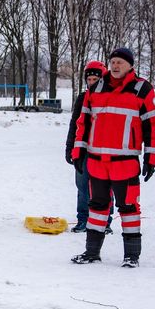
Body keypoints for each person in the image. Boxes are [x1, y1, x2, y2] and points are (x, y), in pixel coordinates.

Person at [69, 47, 155, 268]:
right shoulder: (96, 88)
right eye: (113, 62)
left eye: (120, 62)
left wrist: (151, 157)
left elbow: (153, 125)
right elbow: (83, 122)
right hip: (97, 161)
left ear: (130, 65)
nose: (116, 65)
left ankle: (132, 256)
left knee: (128, 209)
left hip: (125, 162)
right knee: (96, 208)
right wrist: (78, 150)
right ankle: (91, 252)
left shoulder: (142, 89)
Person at [66, 60, 111, 234]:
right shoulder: (82, 98)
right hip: (83, 150)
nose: (91, 83)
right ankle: (83, 219)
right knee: (82, 186)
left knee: (104, 188)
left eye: (95, 80)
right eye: (89, 79)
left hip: (103, 151)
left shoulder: (109, 98)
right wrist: (70, 147)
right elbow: (74, 125)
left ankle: (105, 221)